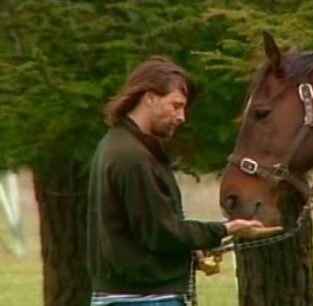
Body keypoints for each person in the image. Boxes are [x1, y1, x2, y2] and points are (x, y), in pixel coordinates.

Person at [87, 56, 281, 306]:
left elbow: (142, 230)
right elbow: (161, 233)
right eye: (175, 105)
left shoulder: (119, 146)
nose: (182, 117)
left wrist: (191, 248)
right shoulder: (133, 158)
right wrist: (226, 229)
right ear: (150, 98)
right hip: (143, 300)